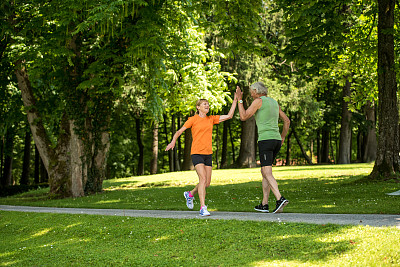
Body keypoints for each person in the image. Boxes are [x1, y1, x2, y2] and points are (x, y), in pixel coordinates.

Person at [165, 94, 237, 216]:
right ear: (198, 107)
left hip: (208, 153)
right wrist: (173, 141)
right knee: (202, 179)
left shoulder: (211, 119)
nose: (207, 106)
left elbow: (229, 116)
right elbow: (179, 131)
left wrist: (235, 100)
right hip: (197, 153)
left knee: (207, 183)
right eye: (204, 104)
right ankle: (202, 207)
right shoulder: (193, 119)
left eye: (208, 104)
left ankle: (190, 194)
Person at [236, 82, 290, 213]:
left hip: (266, 140)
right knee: (265, 171)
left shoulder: (258, 101)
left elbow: (243, 116)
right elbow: (287, 121)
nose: (250, 93)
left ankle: (279, 198)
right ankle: (264, 204)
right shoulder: (273, 102)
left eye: (251, 91)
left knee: (266, 172)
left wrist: (240, 100)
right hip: (276, 140)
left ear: (255, 91)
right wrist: (282, 137)